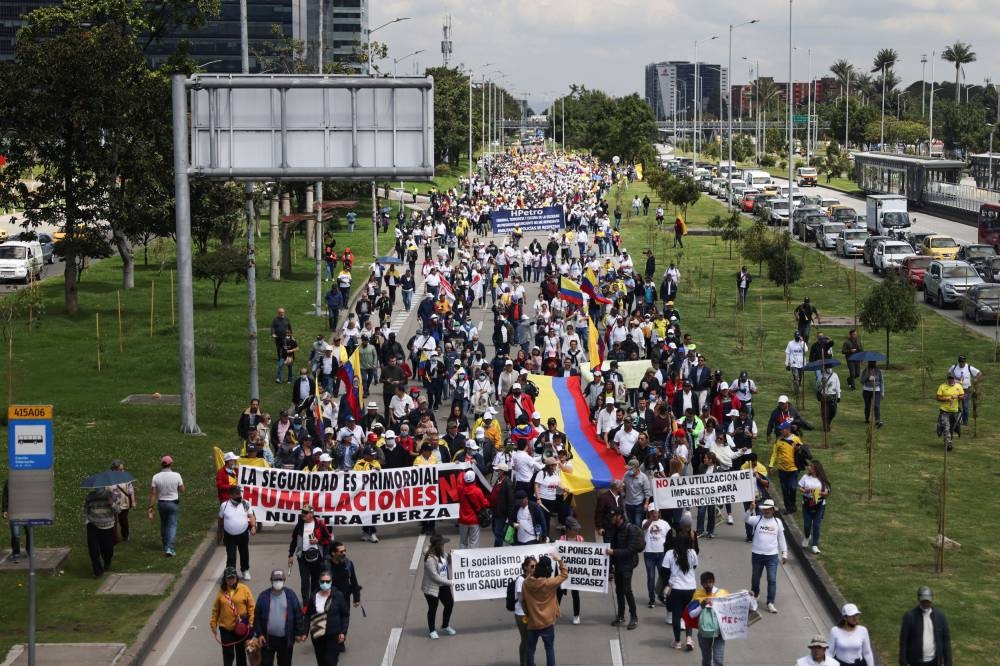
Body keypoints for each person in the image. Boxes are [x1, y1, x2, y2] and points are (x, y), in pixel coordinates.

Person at [521, 553, 569, 666]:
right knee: (549, 650)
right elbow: (564, 574)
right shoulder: (549, 583)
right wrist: (560, 560)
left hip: (533, 623)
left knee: (530, 650)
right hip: (547, 623)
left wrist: (528, 614)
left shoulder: (526, 583)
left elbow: (523, 602)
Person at [253, 570, 306, 666]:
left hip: (285, 640)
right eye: (275, 579)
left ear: (284, 580)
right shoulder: (263, 596)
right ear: (271, 580)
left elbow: (298, 615)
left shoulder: (291, 595)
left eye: (280, 579)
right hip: (267, 639)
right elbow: (256, 617)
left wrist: (299, 633)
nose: (278, 581)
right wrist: (259, 634)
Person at [605, 508, 642, 630]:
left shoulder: (630, 529)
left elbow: (631, 550)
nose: (611, 519)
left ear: (620, 516)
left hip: (627, 565)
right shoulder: (614, 528)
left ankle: (634, 617)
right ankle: (621, 615)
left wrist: (613, 552)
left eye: (613, 516)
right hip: (618, 565)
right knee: (619, 591)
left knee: (627, 590)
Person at [210, 566, 255, 666]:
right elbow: (215, 609)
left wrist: (251, 622)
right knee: (228, 654)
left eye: (232, 578)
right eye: (228, 578)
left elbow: (251, 607)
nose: (230, 580)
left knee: (241, 654)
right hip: (226, 628)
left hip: (241, 627)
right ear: (224, 579)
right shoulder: (221, 592)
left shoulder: (244, 589)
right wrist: (213, 623)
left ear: (236, 578)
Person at [663, 527, 699, 651]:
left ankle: (677, 641)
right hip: (690, 588)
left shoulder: (669, 553)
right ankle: (689, 638)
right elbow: (694, 566)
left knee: (676, 615)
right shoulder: (692, 553)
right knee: (688, 614)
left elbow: (664, 571)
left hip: (676, 588)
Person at [305, 569, 350, 666]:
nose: (325, 583)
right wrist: (304, 632)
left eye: (327, 581)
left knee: (330, 662)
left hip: (333, 636)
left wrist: (343, 632)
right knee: (321, 662)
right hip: (317, 635)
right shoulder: (313, 596)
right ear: (319, 582)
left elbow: (345, 615)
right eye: (322, 581)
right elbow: (308, 615)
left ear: (331, 582)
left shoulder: (338, 595)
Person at [287, 505, 332, 601]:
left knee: (315, 580)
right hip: (302, 557)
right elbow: (294, 541)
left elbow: (328, 539)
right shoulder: (299, 526)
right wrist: (290, 555)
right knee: (305, 581)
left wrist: (318, 541)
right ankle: (306, 603)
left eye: (305, 513)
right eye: (302, 512)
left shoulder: (319, 524)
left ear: (312, 514)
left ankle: (314, 600)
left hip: (317, 557)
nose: (303, 514)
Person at [898, 586, 952, 666]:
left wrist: (948, 662)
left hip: (934, 661)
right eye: (923, 601)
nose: (926, 604)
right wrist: (903, 661)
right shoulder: (910, 616)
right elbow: (904, 641)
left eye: (928, 602)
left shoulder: (940, 616)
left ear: (932, 600)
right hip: (915, 662)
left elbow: (946, 641)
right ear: (919, 600)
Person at [148, 455, 184, 557]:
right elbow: (182, 489)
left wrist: (150, 507)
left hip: (162, 503)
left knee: (164, 524)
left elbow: (153, 493)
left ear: (162, 465)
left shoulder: (156, 476)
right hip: (173, 502)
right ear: (171, 464)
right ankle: (170, 547)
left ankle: (165, 544)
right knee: (172, 525)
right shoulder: (177, 475)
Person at [421, 534, 456, 639]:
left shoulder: (441, 553)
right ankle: (432, 630)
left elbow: (447, 562)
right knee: (433, 608)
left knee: (449, 604)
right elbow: (434, 577)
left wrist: (453, 556)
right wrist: (450, 582)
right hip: (432, 587)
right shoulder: (429, 559)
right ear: (437, 545)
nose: (444, 545)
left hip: (444, 585)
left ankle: (445, 625)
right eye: (442, 544)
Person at [218, 485, 257, 580]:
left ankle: (245, 570)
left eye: (240, 493)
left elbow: (251, 516)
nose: (240, 495)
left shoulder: (245, 503)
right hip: (229, 535)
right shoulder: (224, 505)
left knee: (244, 553)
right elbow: (220, 519)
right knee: (231, 555)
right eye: (237, 494)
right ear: (231, 495)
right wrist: (220, 532)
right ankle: (231, 573)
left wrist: (253, 526)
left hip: (243, 534)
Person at [691, 571, 729, 666]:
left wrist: (748, 596)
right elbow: (692, 614)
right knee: (706, 660)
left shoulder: (723, 593)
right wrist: (701, 606)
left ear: (713, 582)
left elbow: (735, 605)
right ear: (701, 583)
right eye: (705, 583)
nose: (708, 585)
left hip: (719, 632)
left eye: (710, 582)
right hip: (704, 633)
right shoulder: (698, 595)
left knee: (718, 660)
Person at [798, 460, 831, 555]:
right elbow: (800, 487)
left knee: (816, 525)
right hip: (807, 503)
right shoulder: (806, 477)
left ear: (816, 469)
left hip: (819, 504)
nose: (809, 468)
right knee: (807, 524)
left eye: (811, 467)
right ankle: (807, 536)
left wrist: (822, 493)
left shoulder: (823, 479)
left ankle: (815, 545)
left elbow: (828, 491)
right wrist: (805, 490)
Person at [84, 486, 116, 577]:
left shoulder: (111, 496)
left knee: (108, 549)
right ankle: (98, 572)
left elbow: (118, 510)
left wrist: (112, 504)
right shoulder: (90, 496)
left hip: (107, 526)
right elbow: (86, 509)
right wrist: (87, 520)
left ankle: (107, 562)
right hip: (93, 525)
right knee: (93, 550)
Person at [642, 504, 669, 609]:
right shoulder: (645, 522)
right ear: (649, 513)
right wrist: (650, 520)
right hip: (649, 553)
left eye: (655, 511)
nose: (654, 513)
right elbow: (644, 527)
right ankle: (651, 598)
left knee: (663, 577)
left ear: (659, 512)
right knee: (651, 577)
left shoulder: (664, 523)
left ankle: (662, 596)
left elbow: (670, 535)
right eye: (652, 511)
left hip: (661, 553)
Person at [513, 556, 537, 666]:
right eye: (532, 566)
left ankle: (529, 661)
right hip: (522, 614)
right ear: (526, 567)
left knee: (531, 640)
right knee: (526, 639)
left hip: (530, 613)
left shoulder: (534, 578)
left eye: (535, 566)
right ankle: (524, 663)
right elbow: (520, 597)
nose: (534, 568)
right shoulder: (521, 580)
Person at [458, 469, 489, 549]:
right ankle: (472, 560)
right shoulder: (477, 491)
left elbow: (459, 479)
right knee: (474, 542)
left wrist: (462, 468)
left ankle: (463, 559)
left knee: (463, 542)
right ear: (474, 479)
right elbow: (484, 503)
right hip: (474, 520)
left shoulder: (461, 490)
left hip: (463, 520)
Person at [947, 355, 981, 425]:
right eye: (960, 362)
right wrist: (953, 378)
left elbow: (979, 373)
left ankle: (965, 421)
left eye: (962, 362)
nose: (961, 363)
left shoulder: (968, 367)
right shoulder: (954, 367)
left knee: (965, 406)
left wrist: (976, 379)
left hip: (966, 389)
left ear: (965, 361)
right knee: (955, 405)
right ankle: (956, 419)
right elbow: (949, 373)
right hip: (956, 389)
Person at [935, 372, 963, 452]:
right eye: (949, 378)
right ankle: (949, 444)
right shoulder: (942, 386)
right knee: (946, 427)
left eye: (952, 378)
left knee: (952, 428)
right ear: (947, 379)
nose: (950, 380)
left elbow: (962, 396)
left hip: (955, 411)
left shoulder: (959, 386)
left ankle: (947, 440)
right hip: (944, 411)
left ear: (954, 379)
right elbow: (938, 397)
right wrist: (946, 399)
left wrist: (957, 397)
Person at [108, 460, 135, 542]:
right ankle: (114, 538)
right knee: (113, 521)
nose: (123, 471)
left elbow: (131, 490)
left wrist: (133, 501)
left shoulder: (126, 477)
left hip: (124, 503)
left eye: (123, 469)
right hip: (113, 503)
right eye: (120, 469)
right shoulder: (108, 479)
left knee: (123, 521)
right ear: (114, 470)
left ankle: (125, 536)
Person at [816, 365, 841, 431]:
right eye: (828, 368)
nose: (829, 369)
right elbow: (818, 386)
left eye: (830, 368)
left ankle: (828, 422)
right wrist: (822, 385)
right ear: (825, 368)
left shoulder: (835, 375)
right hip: (824, 396)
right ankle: (826, 426)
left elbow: (838, 386)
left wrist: (839, 396)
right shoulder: (821, 375)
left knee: (833, 412)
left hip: (833, 396)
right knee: (824, 413)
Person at [860, 361, 884, 428]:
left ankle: (878, 420)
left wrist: (882, 392)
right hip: (866, 390)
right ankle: (867, 418)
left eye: (874, 363)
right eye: (871, 363)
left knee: (876, 405)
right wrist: (868, 376)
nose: (873, 364)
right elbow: (861, 381)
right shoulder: (865, 370)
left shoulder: (879, 371)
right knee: (867, 406)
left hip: (876, 390)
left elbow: (881, 382)